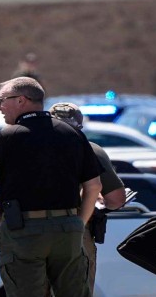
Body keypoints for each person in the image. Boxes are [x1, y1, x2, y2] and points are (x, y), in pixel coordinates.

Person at [0, 76, 102, 297]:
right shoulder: (74, 134)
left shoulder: (6, 137)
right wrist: (78, 223)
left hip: (24, 232)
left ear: (21, 100)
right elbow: (94, 185)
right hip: (68, 229)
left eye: (2, 100)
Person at [49, 101, 129, 294]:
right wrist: (94, 200)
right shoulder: (90, 149)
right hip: (75, 228)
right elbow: (116, 199)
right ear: (79, 126)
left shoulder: (25, 144)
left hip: (28, 230)